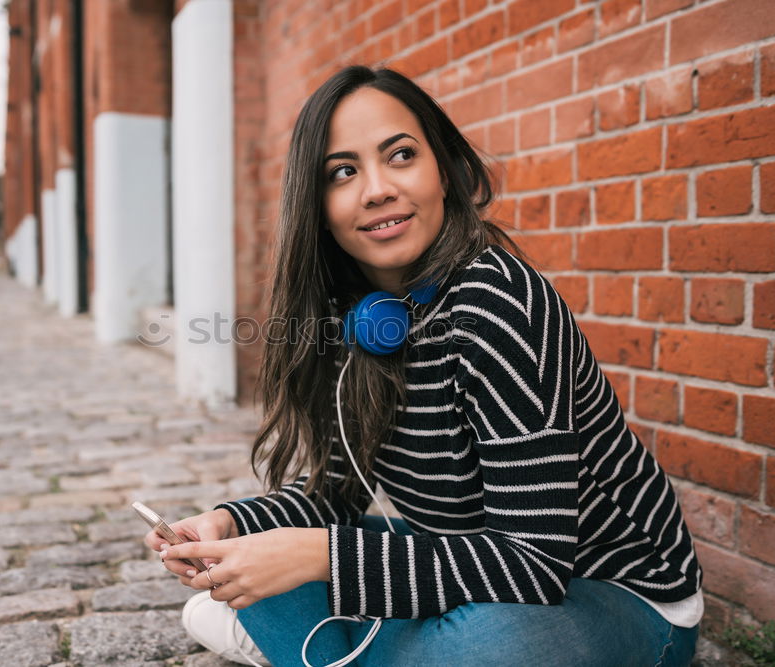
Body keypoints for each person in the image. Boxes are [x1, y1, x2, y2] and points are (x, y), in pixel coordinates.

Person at [146, 65, 702, 667]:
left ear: (445, 171)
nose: (378, 188)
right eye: (343, 171)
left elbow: (536, 563)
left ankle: (337, 647)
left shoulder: (501, 304)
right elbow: (335, 496)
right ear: (318, 205)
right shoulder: (355, 319)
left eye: (401, 155)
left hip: (614, 594)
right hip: (465, 555)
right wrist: (229, 524)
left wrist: (320, 559)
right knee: (245, 566)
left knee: (492, 649)